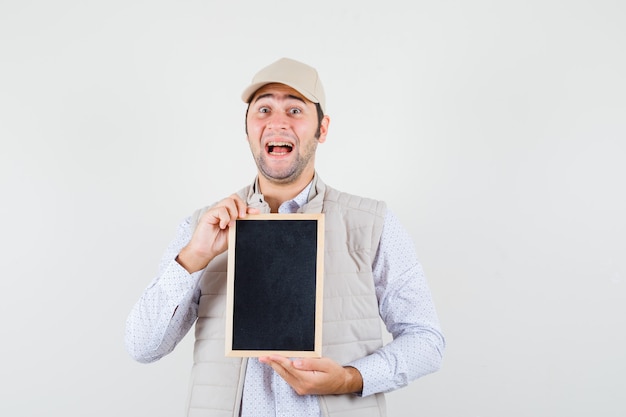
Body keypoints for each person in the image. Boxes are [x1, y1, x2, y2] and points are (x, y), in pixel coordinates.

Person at [125, 57, 445, 417]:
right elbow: (141, 346)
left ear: (322, 129)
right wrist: (193, 257)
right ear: (247, 129)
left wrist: (351, 378)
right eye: (263, 110)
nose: (277, 122)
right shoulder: (201, 228)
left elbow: (426, 341)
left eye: (295, 109)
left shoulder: (372, 224)